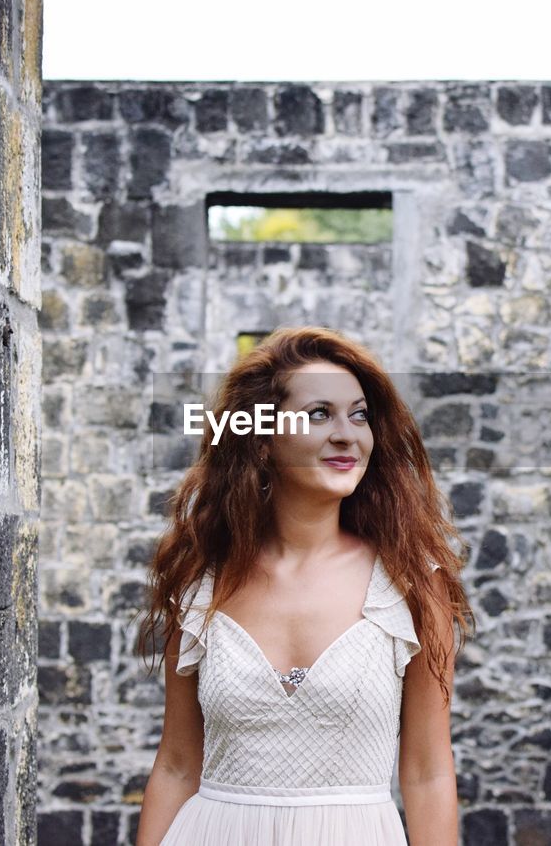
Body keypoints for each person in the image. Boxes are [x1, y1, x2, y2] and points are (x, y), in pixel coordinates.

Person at [133, 325, 475, 845]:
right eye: (320, 414)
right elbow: (178, 766)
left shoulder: (408, 584)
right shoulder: (204, 581)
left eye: (358, 415)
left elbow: (428, 774)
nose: (347, 434)